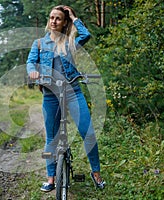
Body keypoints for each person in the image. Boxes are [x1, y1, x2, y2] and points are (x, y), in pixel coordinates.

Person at [26, 5, 106, 192]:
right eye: (52, 17)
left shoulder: (70, 42)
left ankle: (96, 174)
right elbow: (31, 62)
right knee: (51, 138)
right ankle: (51, 178)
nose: (54, 21)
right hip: (50, 95)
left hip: (73, 91)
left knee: (89, 133)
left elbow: (86, 35)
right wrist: (33, 72)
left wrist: (74, 17)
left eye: (59, 18)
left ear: (64, 23)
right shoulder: (39, 43)